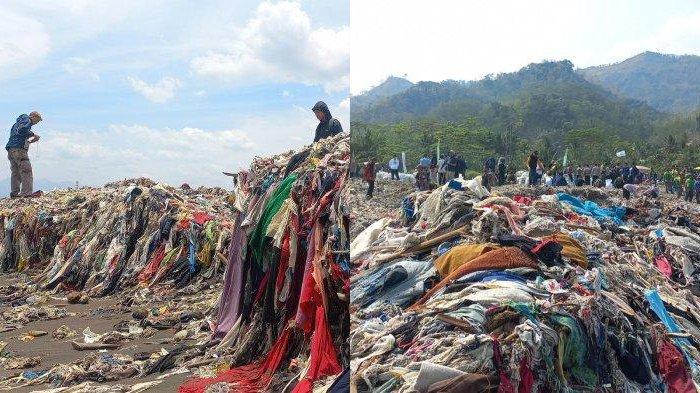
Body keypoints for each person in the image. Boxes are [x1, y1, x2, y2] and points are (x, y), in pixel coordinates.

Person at [6, 112, 42, 198]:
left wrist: (31, 140)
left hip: (11, 150)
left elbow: (19, 135)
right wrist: (33, 134)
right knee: (26, 171)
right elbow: (23, 130)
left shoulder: (16, 124)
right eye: (37, 120)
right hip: (19, 150)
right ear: (33, 116)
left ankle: (14, 193)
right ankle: (26, 193)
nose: (36, 123)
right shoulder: (27, 119)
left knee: (16, 172)